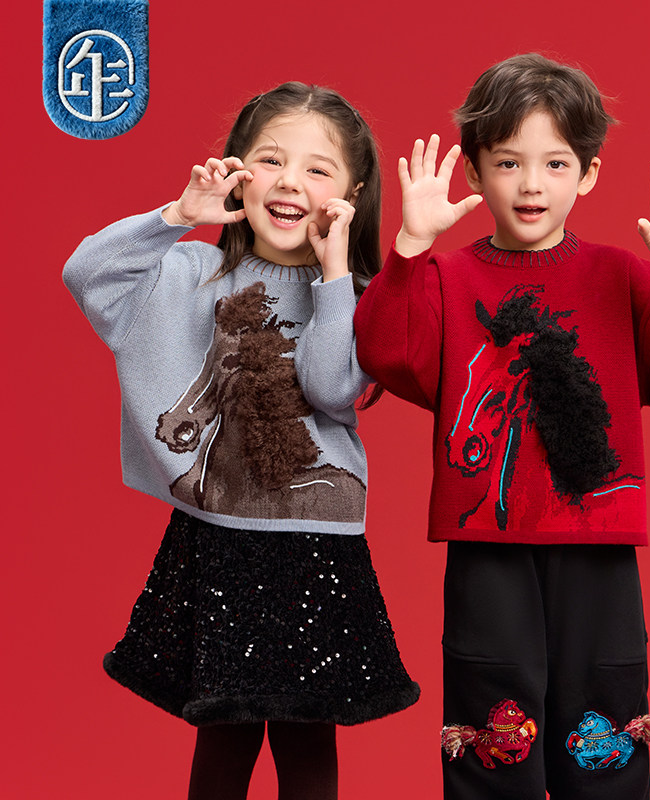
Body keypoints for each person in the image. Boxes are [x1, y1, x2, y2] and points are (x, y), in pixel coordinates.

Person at [353, 53, 650, 799]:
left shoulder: (621, 275)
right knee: (490, 718)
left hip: (597, 539)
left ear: (588, 174)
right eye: (508, 163)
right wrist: (408, 249)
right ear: (475, 172)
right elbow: (384, 351)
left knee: (604, 716)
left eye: (555, 163)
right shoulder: (444, 278)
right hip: (486, 542)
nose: (531, 185)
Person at [63, 82, 419, 800]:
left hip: (314, 547)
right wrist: (175, 217)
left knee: (306, 737)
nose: (291, 182)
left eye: (317, 169)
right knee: (223, 733)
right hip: (219, 537)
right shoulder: (189, 272)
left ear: (351, 194)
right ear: (237, 171)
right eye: (271, 160)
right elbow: (86, 273)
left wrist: (332, 276)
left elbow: (331, 388)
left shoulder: (355, 295)